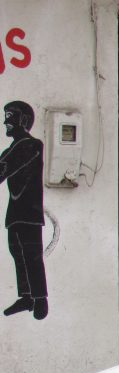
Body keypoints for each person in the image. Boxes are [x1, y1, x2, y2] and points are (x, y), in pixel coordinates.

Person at [1, 100, 48, 320]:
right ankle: (27, 296)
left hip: (29, 213)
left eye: (10, 116)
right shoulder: (12, 148)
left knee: (31, 256)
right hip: (16, 213)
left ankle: (40, 300)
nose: (6, 121)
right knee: (17, 253)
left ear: (24, 120)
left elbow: (5, 167)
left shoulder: (30, 145)